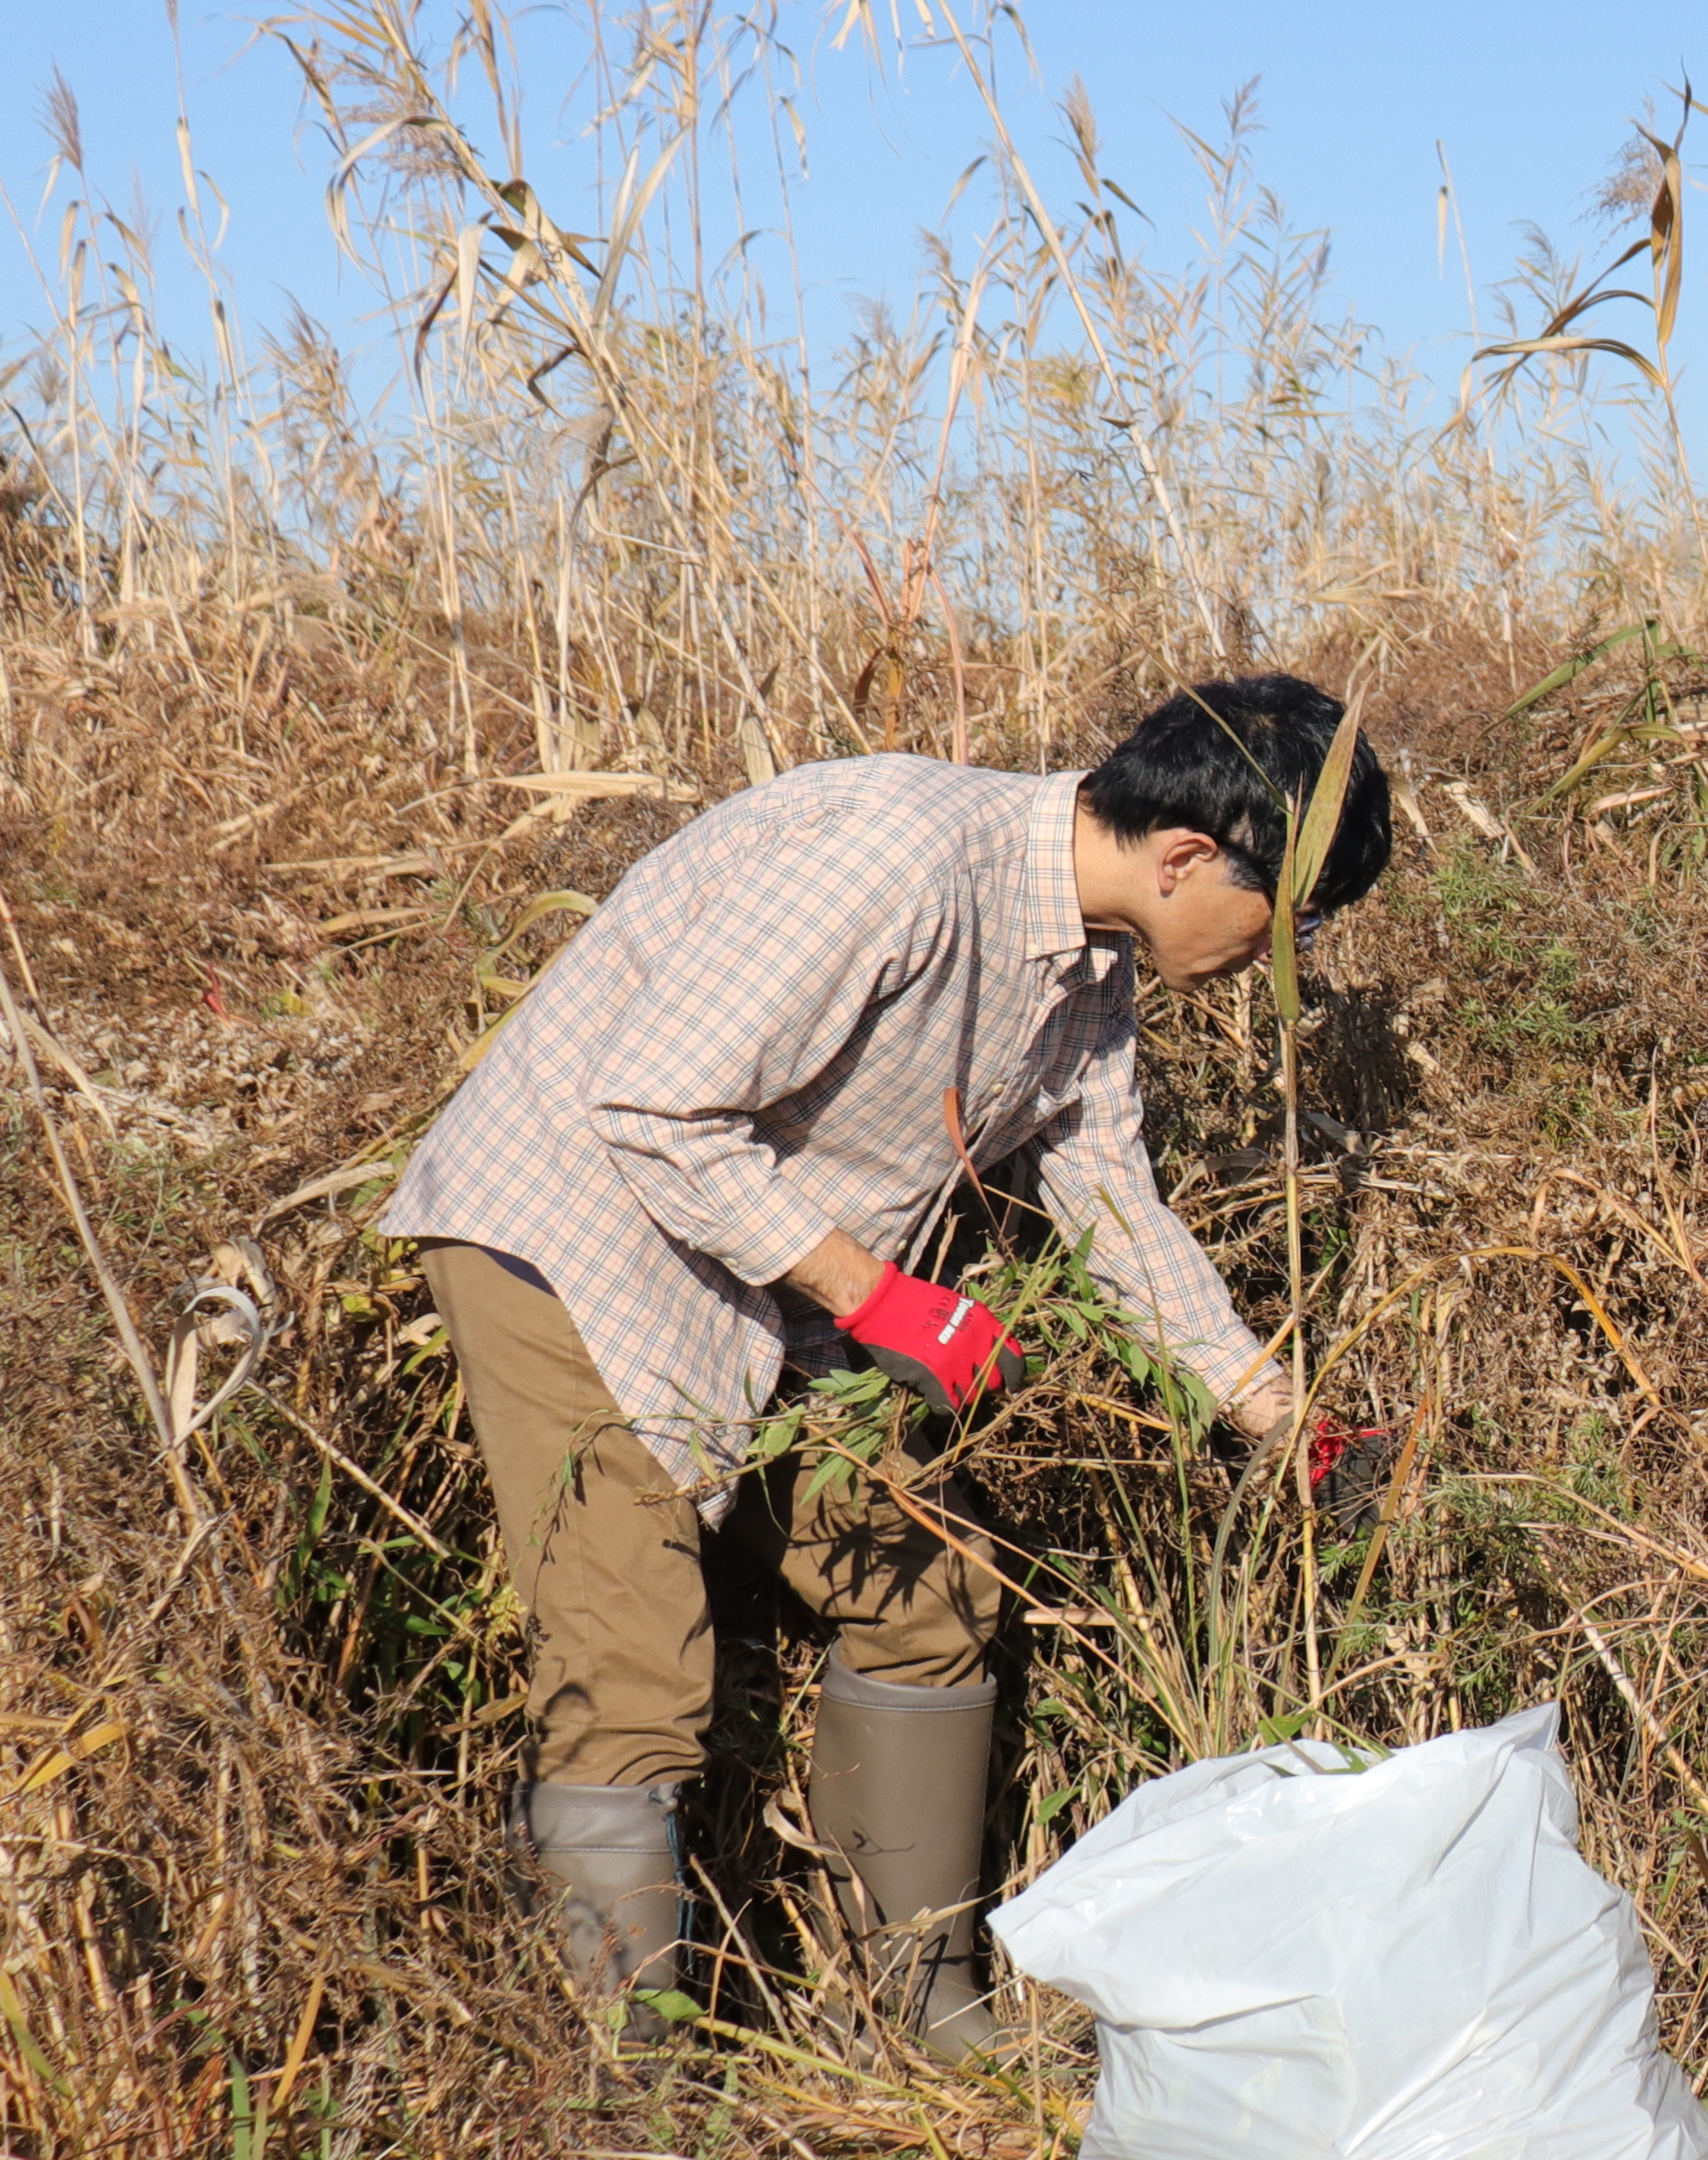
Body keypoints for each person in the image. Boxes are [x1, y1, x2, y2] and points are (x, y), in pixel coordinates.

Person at [383, 675, 1393, 2051]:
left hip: (764, 1279)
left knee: (934, 1594)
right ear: (1188, 858)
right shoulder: (903, 855)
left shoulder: (1090, 977)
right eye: (1301, 915)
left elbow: (1113, 1207)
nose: (1294, 953)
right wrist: (886, 1301)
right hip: (576, 1244)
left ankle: (915, 2019)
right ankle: (624, 2105)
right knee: (632, 1675)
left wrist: (1276, 1415)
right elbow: (651, 1103)